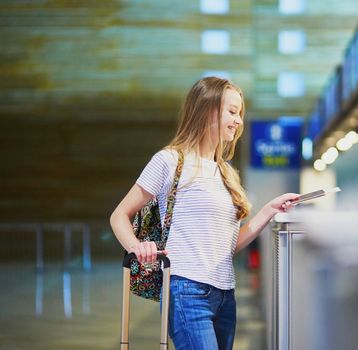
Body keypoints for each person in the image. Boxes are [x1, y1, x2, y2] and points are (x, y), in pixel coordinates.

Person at [109, 76, 298, 350]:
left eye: (240, 113)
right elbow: (119, 215)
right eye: (232, 112)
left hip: (225, 294)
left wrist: (270, 209)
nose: (239, 121)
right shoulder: (169, 161)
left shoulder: (226, 172)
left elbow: (228, 246)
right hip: (186, 290)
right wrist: (137, 248)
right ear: (208, 110)